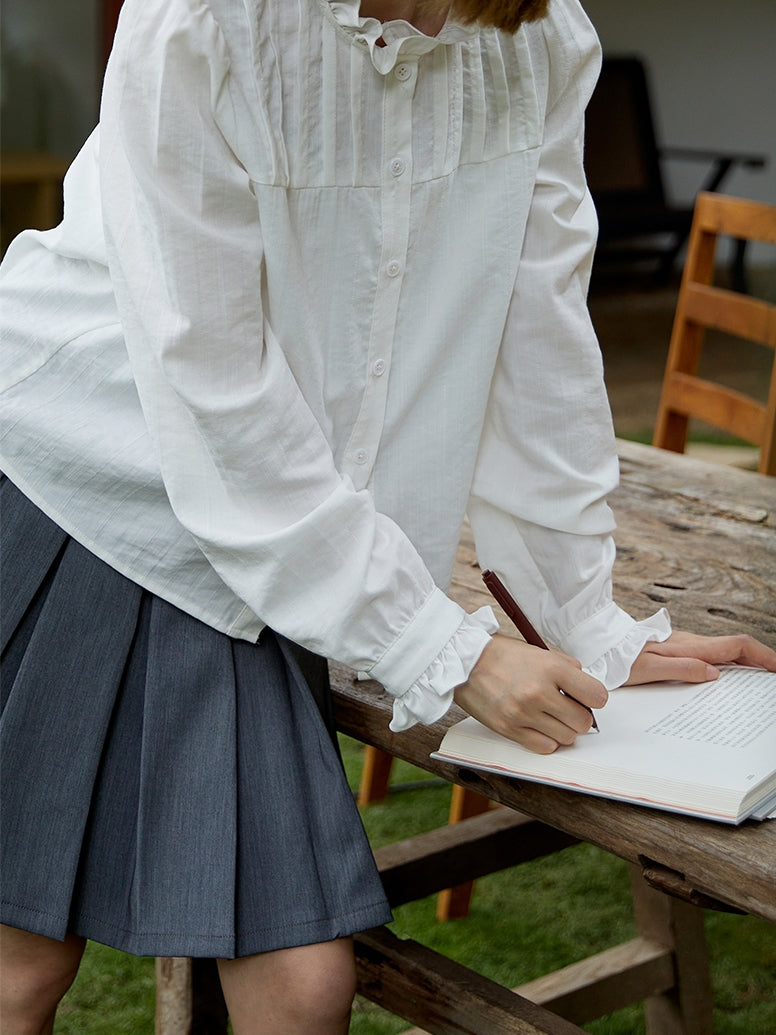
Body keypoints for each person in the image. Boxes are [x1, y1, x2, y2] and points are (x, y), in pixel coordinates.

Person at [1, 0, 774, 1032]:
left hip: (279, 529)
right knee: (22, 963)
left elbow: (536, 339)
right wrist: (444, 649)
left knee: (298, 988)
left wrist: (579, 621)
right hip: (86, 474)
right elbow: (211, 375)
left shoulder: (540, 41)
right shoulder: (200, 21)